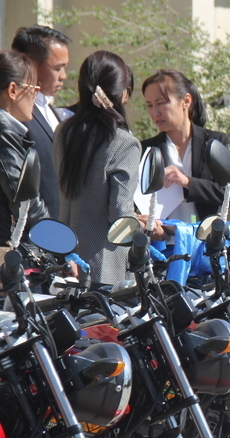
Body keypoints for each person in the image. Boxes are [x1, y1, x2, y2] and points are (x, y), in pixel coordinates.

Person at [55, 51, 141, 285]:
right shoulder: (125, 142)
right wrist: (142, 235)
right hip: (104, 262)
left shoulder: (63, 132)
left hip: (65, 256)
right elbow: (120, 213)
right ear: (122, 93)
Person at [140, 69, 230, 225]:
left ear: (186, 101)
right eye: (149, 105)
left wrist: (187, 182)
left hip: (204, 236)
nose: (155, 112)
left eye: (161, 103)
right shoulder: (146, 149)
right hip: (163, 237)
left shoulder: (214, 143)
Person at [11, 25, 70, 219]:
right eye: (57, 68)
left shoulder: (52, 111)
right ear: (29, 63)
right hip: (31, 228)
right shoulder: (13, 115)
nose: (63, 76)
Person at [0, 50, 49, 249]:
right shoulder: (3, 134)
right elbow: (25, 203)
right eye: (34, 88)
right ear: (13, 90)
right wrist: (57, 244)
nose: (36, 95)